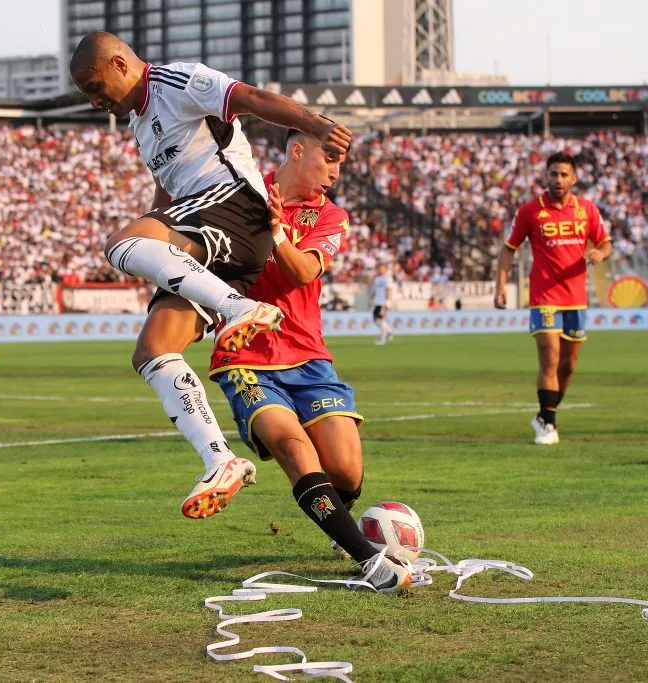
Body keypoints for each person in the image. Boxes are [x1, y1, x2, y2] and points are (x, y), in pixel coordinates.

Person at [69, 32, 353, 519]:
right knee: (153, 351)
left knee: (118, 243)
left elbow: (252, 99)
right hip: (202, 226)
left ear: (120, 64)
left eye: (96, 87)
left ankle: (238, 308)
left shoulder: (177, 80)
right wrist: (162, 261)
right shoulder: (140, 123)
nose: (97, 102)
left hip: (233, 210)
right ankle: (219, 459)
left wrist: (315, 123)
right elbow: (167, 193)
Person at [209, 129, 409, 592]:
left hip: (308, 356)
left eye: (341, 165)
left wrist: (276, 230)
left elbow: (302, 272)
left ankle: (335, 519)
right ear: (298, 151)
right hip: (245, 354)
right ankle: (369, 561)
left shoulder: (332, 216)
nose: (335, 174)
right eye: (329, 160)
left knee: (346, 471)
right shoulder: (242, 194)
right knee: (295, 449)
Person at [494, 151, 612, 445]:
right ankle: (548, 424)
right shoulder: (530, 211)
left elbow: (605, 242)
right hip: (544, 295)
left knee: (568, 366)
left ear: (574, 178)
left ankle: (545, 413)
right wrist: (501, 285)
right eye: (553, 174)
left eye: (563, 174)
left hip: (576, 298)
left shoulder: (587, 210)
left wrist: (599, 252)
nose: (558, 179)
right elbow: (509, 248)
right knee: (550, 357)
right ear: (545, 177)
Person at [370, 263, 394, 344]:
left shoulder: (387, 278)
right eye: (378, 268)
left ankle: (382, 339)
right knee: (376, 320)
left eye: (381, 268)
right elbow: (375, 290)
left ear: (385, 269)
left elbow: (389, 289)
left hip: (383, 302)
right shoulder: (377, 279)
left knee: (381, 319)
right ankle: (389, 330)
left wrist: (388, 301)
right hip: (377, 302)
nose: (380, 270)